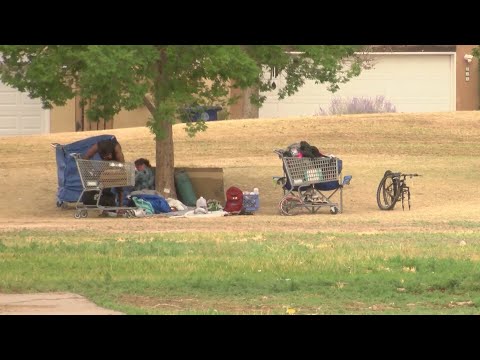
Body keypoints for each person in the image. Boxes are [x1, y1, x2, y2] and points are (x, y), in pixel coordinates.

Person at [82, 138, 126, 207]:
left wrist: (114, 169)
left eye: (108, 156)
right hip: (105, 169)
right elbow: (85, 158)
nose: (106, 158)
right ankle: (106, 202)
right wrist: (90, 170)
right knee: (104, 180)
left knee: (119, 183)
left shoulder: (116, 148)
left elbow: (123, 165)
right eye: (104, 157)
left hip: (116, 167)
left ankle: (120, 205)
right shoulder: (97, 146)